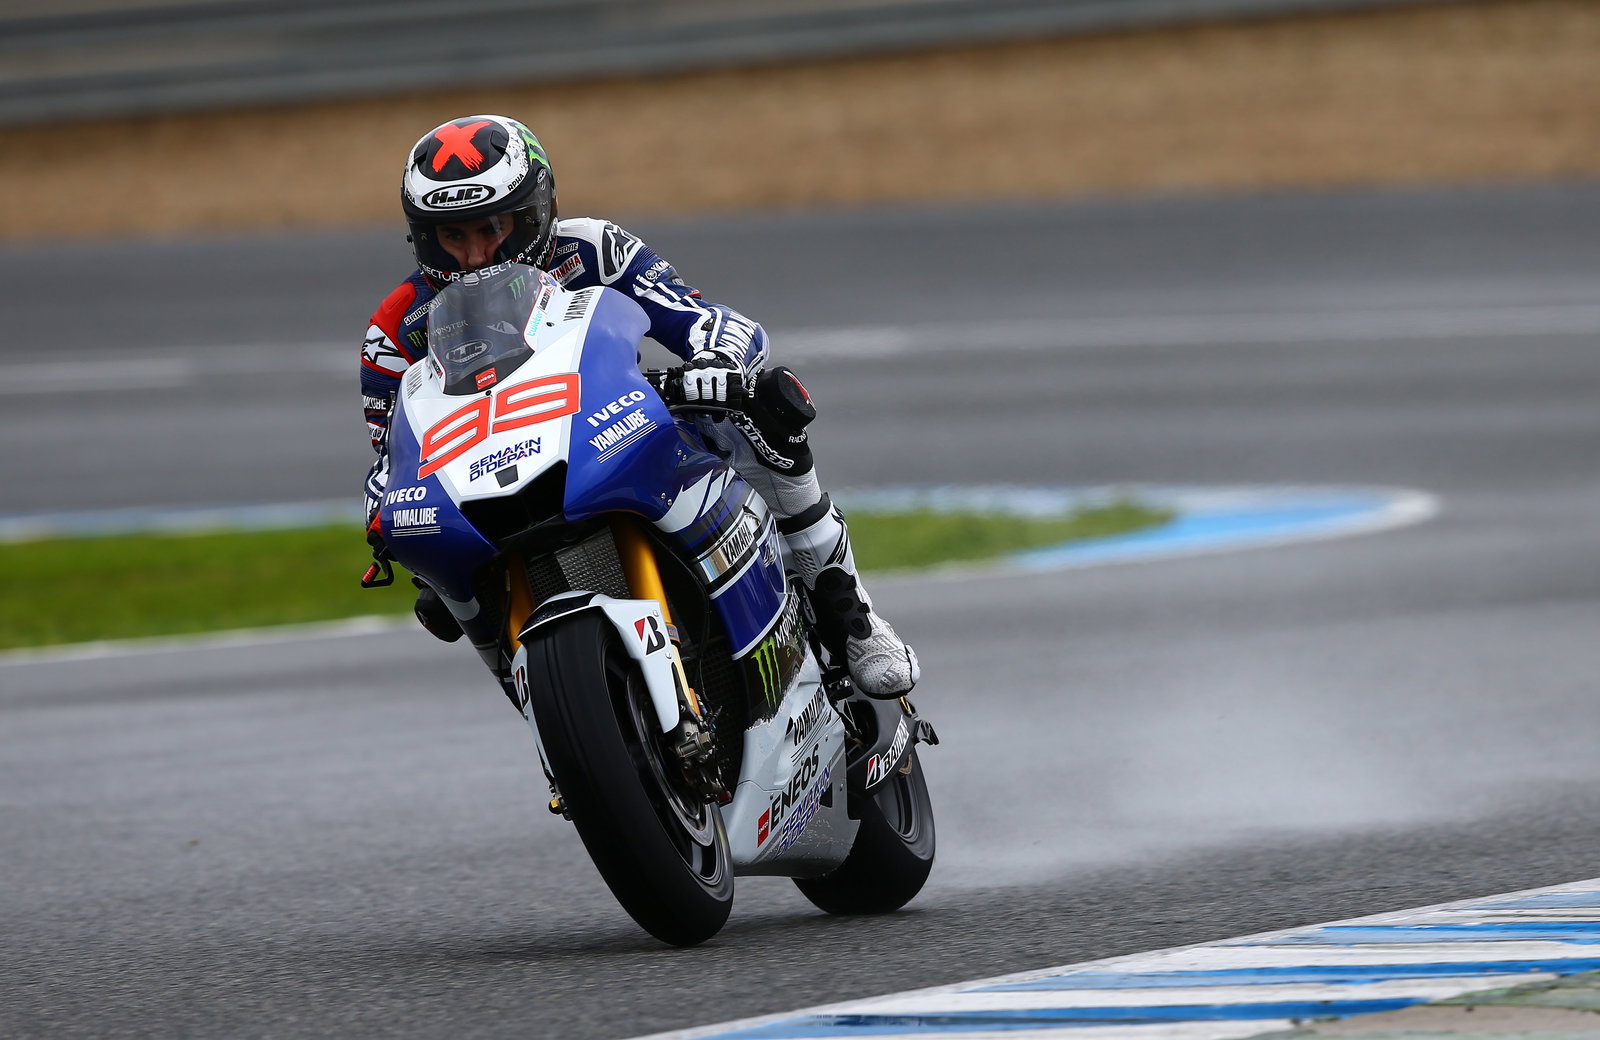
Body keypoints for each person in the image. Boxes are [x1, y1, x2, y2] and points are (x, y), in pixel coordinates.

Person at [360, 114, 917, 699]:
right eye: (455, 236)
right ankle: (541, 707)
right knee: (434, 572)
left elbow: (715, 323)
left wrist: (714, 366)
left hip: (613, 429)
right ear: (424, 237)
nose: (476, 255)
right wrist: (385, 518)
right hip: (490, 469)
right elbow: (391, 452)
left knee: (758, 409)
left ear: (535, 210)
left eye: (494, 227)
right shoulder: (395, 327)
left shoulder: (594, 249)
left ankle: (846, 609)